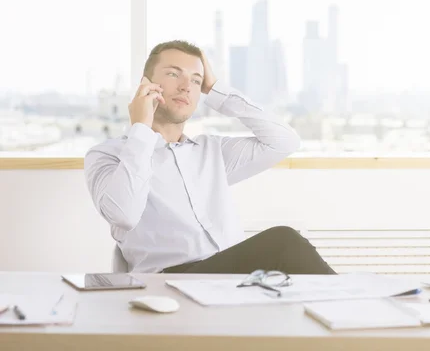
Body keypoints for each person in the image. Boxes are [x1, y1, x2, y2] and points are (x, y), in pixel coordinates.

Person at [84, 40, 335, 275]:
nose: (185, 86)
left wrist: (216, 90)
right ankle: (357, 299)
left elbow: (285, 140)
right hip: (169, 281)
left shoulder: (212, 151)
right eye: (173, 74)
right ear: (146, 84)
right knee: (285, 242)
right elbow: (124, 215)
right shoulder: (108, 155)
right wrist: (141, 128)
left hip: (232, 278)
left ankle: (353, 305)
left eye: (196, 80)